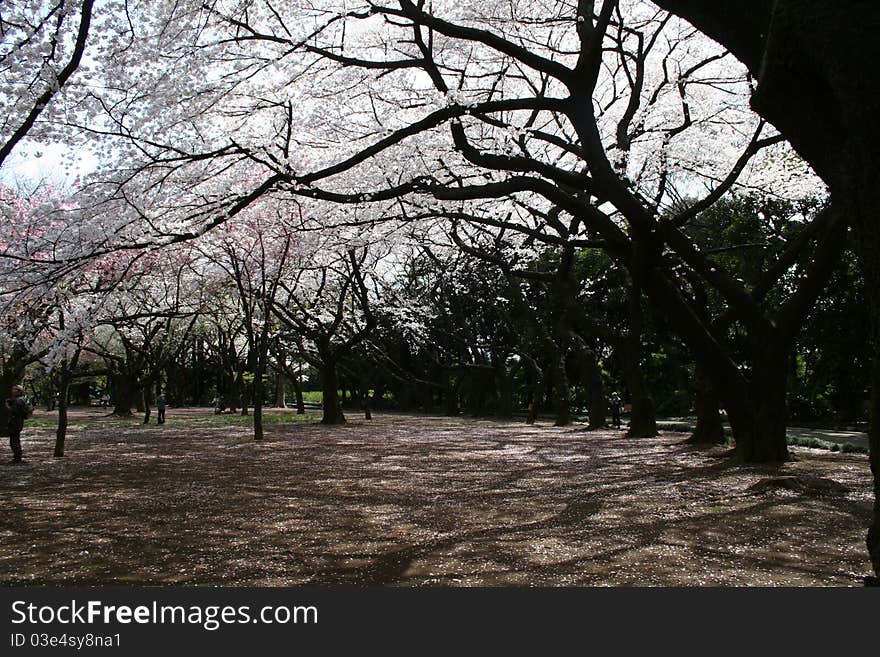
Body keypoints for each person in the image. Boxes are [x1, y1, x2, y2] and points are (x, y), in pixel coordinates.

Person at [6, 385, 29, 463]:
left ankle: (17, 458)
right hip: (18, 422)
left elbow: (14, 411)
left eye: (14, 389)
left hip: (15, 423)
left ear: (19, 391)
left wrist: (8, 406)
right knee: (16, 440)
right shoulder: (22, 399)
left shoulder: (19, 400)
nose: (12, 391)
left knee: (14, 441)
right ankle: (17, 457)